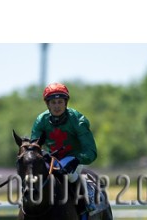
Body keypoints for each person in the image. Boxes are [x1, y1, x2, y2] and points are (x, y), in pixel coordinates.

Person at [30, 82, 97, 212]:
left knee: (65, 170)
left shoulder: (78, 120)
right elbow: (34, 146)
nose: (57, 106)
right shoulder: (41, 120)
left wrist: (77, 159)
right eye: (53, 102)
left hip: (74, 157)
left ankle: (85, 197)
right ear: (48, 104)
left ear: (66, 103)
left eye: (60, 102)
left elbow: (91, 151)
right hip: (51, 158)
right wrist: (42, 154)